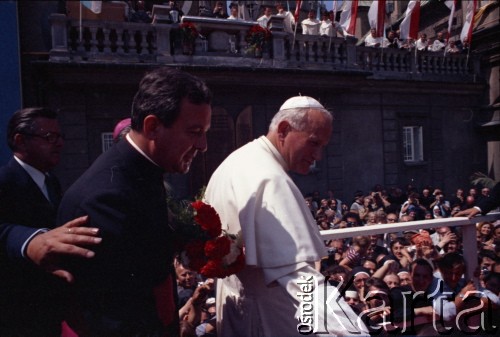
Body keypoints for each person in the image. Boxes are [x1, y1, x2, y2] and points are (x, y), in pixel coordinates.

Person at [56, 68, 212, 336]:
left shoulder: (144, 170)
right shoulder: (105, 199)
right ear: (153, 127)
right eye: (195, 132)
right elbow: (116, 319)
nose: (204, 145)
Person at [204, 96, 367, 335]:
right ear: (284, 130)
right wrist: (351, 330)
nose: (318, 156)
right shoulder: (270, 178)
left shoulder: (237, 160)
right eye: (313, 143)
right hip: (267, 317)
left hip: (236, 310)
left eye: (322, 146)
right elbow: (299, 278)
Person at [0, 107, 102, 336]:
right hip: (16, 313)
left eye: (60, 137)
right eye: (49, 137)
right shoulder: (5, 181)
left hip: (51, 309)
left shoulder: (52, 183)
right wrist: (30, 241)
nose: (59, 144)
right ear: (20, 141)